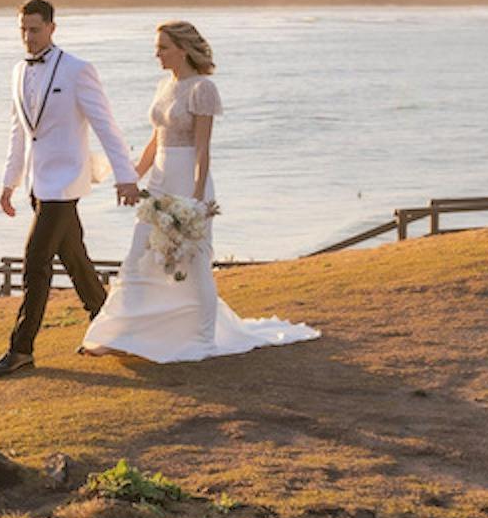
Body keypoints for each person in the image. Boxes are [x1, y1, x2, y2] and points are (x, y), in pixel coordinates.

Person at [82, 20, 319, 362]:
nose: (157, 54)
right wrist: (130, 178)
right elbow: (154, 142)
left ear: (182, 49)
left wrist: (195, 201)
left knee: (194, 263)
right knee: (138, 257)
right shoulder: (163, 86)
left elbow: (202, 149)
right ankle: (119, 335)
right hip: (158, 183)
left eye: (163, 47)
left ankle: (203, 340)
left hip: (187, 183)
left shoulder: (202, 89)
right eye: (157, 47)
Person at [0, 0, 140, 377]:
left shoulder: (77, 70)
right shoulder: (18, 71)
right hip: (37, 185)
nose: (28, 37)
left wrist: (126, 176)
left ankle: (21, 349)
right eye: (23, 30)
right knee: (75, 260)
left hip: (66, 184)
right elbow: (19, 133)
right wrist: (9, 182)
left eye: (35, 29)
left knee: (35, 263)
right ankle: (109, 326)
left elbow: (106, 125)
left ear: (52, 28)